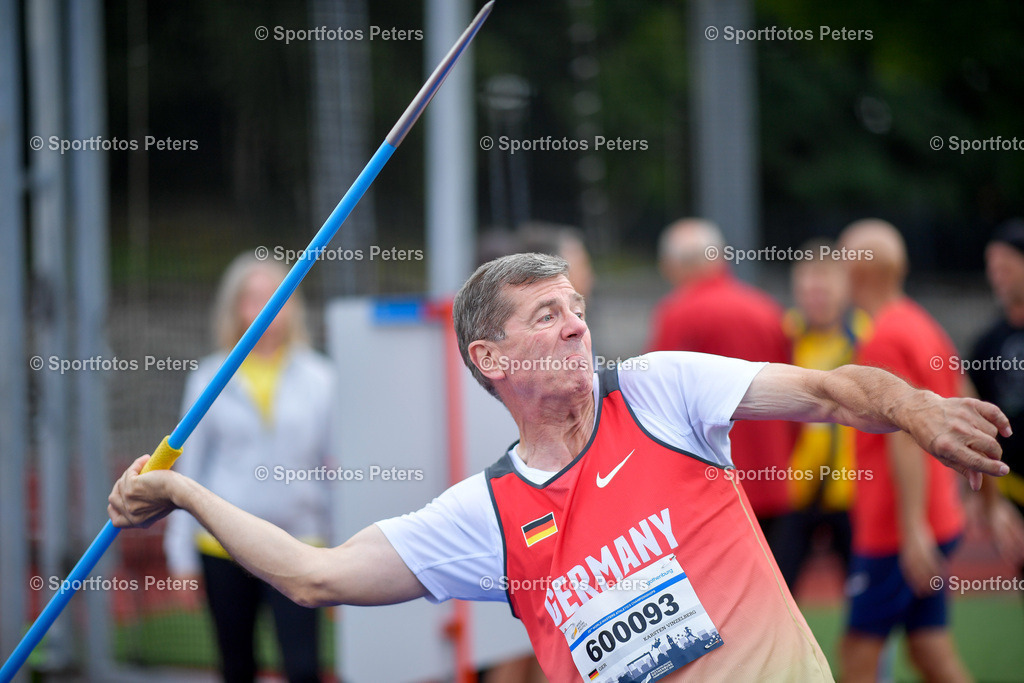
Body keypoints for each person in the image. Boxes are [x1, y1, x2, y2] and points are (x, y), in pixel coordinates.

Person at [111, 253, 1011, 682]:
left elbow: (836, 389)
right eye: (545, 315)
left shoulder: (658, 394)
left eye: (575, 308)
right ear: (490, 360)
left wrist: (916, 407)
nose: (576, 324)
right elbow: (314, 576)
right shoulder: (487, 513)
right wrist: (185, 491)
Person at [163, 253, 336, 683]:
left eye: (276, 295)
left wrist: (342, 547)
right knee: (236, 665)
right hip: (225, 547)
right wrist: (181, 556)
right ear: (234, 307)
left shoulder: (321, 377)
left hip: (301, 543)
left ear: (292, 305)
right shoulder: (208, 378)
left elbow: (336, 468)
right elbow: (187, 469)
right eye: (252, 298)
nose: (265, 307)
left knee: (303, 667)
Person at [836, 220, 972, 682]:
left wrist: (912, 528)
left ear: (857, 273)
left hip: (894, 529)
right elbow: (964, 393)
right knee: (930, 649)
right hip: (934, 517)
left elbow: (903, 437)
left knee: (857, 654)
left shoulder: (884, 338)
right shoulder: (921, 323)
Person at [649, 218, 796, 542]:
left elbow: (657, 406)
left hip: (709, 486)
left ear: (673, 266)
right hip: (772, 479)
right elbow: (796, 399)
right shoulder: (768, 310)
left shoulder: (677, 314)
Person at [773, 239, 871, 590]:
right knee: (778, 596)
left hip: (853, 492)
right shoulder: (783, 335)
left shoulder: (867, 337)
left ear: (844, 289)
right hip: (794, 491)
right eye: (808, 289)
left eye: (824, 289)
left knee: (867, 604)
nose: (816, 297)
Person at [968, 220, 1024, 590]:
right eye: (992, 267)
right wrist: (989, 503)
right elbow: (976, 422)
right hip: (1013, 491)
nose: (996, 276)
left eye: (1005, 265)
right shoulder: (986, 344)